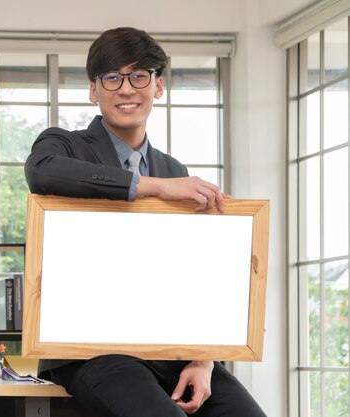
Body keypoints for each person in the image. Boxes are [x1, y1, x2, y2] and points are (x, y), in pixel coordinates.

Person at [24, 27, 267, 417]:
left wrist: (203, 361)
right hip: (93, 353)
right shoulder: (64, 145)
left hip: (173, 354)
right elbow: (42, 173)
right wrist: (155, 187)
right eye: (112, 77)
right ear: (94, 90)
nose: (126, 89)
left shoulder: (175, 170)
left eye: (139, 76)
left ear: (158, 86)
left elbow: (195, 277)